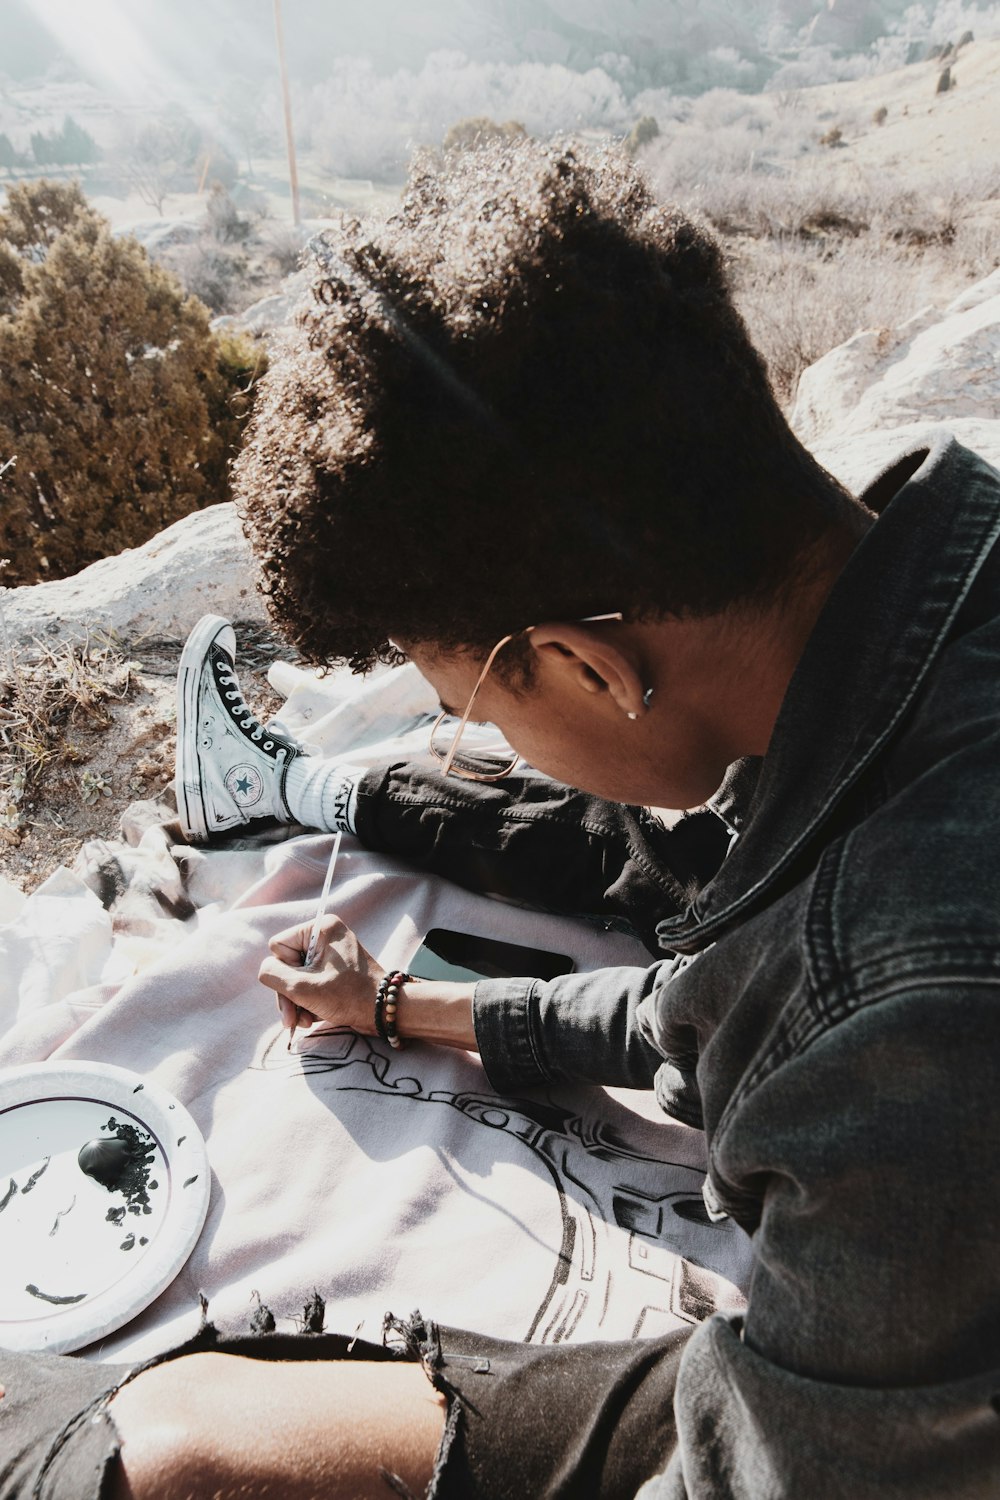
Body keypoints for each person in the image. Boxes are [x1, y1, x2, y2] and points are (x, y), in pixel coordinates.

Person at [5, 138, 1000, 1499]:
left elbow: (808, 1470)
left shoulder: (897, 1002)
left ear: (589, 666)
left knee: (183, 1448)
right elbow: (714, 1004)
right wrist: (418, 1012)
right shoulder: (942, 578)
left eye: (465, 708)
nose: (476, 745)